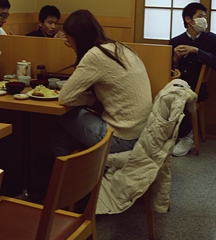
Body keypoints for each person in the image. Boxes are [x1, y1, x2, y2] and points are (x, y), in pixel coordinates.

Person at [50, 10, 153, 156]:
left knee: (61, 117)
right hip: (142, 132)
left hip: (122, 137)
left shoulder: (95, 55)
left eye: (68, 40)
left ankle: (65, 170)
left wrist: (89, 100)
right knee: (61, 134)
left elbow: (65, 97)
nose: (70, 46)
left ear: (78, 38)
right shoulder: (120, 47)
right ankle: (73, 168)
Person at [169, 2, 216, 156]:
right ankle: (166, 135)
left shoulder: (213, 40)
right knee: (165, 95)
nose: (204, 20)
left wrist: (196, 51)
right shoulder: (176, 41)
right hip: (176, 84)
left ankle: (187, 136)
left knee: (179, 97)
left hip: (197, 87)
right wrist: (175, 59)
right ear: (188, 19)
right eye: (200, 16)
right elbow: (168, 69)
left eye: (205, 17)